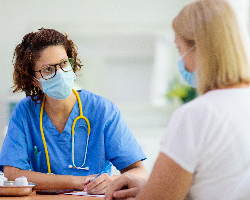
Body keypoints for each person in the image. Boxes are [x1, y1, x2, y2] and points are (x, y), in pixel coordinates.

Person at [104, 0, 250, 199]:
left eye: (180, 49)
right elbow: (219, 182)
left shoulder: (196, 115)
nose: (181, 60)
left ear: (200, 49)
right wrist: (149, 186)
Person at [0, 28, 147, 194]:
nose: (60, 74)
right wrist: (78, 181)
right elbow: (12, 174)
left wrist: (111, 181)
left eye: (64, 63)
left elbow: (139, 171)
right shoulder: (25, 112)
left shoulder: (102, 110)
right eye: (48, 69)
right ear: (33, 80)